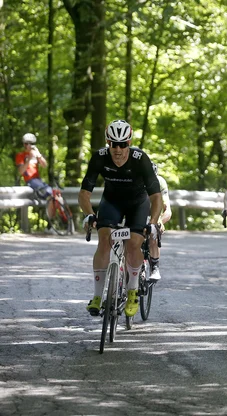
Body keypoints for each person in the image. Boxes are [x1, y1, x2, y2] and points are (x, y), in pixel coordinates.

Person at [79, 119, 162, 318]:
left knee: (134, 242)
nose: (118, 149)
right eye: (113, 144)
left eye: (123, 144)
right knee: (104, 238)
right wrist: (89, 214)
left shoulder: (139, 158)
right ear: (108, 143)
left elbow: (156, 197)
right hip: (112, 201)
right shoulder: (99, 158)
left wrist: (152, 223)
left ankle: (132, 290)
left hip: (137, 203)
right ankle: (98, 296)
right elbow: (84, 193)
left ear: (129, 143)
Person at [147, 163, 172, 282]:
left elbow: (168, 210)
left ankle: (154, 267)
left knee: (153, 232)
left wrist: (160, 221)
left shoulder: (160, 182)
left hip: (153, 213)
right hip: (137, 210)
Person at [16, 133, 52, 199]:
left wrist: (39, 155)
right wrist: (29, 158)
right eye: (27, 143)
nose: (29, 145)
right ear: (24, 144)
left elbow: (44, 165)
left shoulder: (36, 154)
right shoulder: (20, 155)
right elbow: (21, 171)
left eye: (31, 143)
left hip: (38, 179)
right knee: (45, 191)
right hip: (29, 180)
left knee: (50, 191)